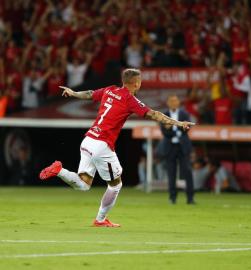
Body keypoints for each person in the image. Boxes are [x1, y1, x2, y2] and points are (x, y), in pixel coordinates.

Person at [39, 69, 195, 227]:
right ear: (136, 83)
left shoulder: (110, 90)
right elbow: (154, 115)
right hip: (102, 144)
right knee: (115, 185)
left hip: (88, 140)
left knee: (84, 184)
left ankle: (59, 171)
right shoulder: (130, 99)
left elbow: (90, 93)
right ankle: (100, 219)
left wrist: (73, 93)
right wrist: (179, 123)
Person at [157, 95, 195, 204]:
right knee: (171, 173)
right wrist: (178, 129)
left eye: (175, 101)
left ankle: (190, 198)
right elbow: (164, 132)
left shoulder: (184, 114)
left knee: (187, 171)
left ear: (179, 103)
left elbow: (187, 129)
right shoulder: (164, 115)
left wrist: (172, 128)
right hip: (170, 147)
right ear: (168, 103)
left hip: (183, 146)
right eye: (171, 101)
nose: (174, 103)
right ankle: (172, 198)